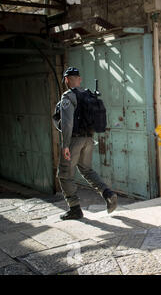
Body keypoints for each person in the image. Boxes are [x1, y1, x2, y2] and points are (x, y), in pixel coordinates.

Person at [57, 67, 118, 220]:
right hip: (89, 139)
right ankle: (108, 194)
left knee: (65, 174)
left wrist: (65, 145)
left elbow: (67, 123)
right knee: (87, 170)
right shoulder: (88, 95)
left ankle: (74, 209)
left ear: (66, 80)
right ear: (80, 79)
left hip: (74, 140)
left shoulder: (68, 96)